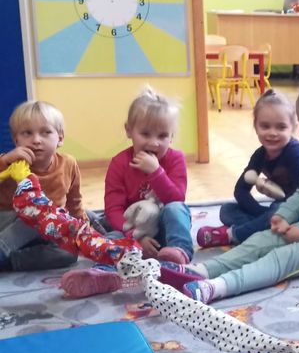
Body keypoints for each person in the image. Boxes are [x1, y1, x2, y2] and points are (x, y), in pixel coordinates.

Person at [161, 64, 299, 305]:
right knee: (260, 241)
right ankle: (201, 271)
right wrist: (283, 215)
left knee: (282, 258)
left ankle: (215, 287)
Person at [60, 86, 193, 297]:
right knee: (110, 237)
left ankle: (178, 257)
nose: (154, 142)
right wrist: (136, 237)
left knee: (177, 210)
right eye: (145, 134)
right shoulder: (119, 163)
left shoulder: (175, 159)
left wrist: (156, 172)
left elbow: (176, 198)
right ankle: (103, 273)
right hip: (131, 231)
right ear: (129, 130)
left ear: (172, 137)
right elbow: (114, 209)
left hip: (165, 231)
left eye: (162, 135)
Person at [196, 89, 299, 248]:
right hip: (277, 212)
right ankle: (263, 228)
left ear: (293, 128)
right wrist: (261, 213)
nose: (272, 133)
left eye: (281, 127)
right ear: (255, 126)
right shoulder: (260, 155)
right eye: (265, 126)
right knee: (227, 210)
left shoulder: (297, 155)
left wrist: (274, 213)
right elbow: (240, 190)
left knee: (277, 209)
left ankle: (232, 235)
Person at [0, 100, 84, 271]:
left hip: (47, 229)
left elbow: (74, 202)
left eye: (46, 132)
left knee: (70, 252)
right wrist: (5, 161)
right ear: (16, 140)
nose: (36, 140)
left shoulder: (68, 163)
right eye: (27, 133)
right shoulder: (9, 162)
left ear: (60, 138)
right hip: (8, 226)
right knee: (36, 215)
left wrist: (82, 229)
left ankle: (10, 262)